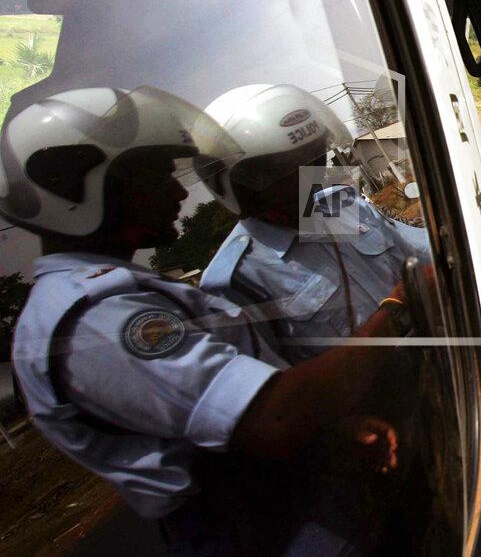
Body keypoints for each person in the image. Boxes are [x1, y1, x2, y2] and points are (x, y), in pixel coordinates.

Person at [5, 86, 413, 555]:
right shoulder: (98, 319)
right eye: (156, 176)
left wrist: (332, 431)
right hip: (252, 525)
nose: (180, 190)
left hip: (305, 483)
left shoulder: (328, 206)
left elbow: (236, 403)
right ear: (81, 189)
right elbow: (276, 417)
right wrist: (397, 306)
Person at [199, 83, 431, 363]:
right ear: (238, 186)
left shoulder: (341, 205)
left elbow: (422, 251)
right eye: (280, 173)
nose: (304, 179)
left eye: (309, 160)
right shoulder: (238, 280)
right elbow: (288, 389)